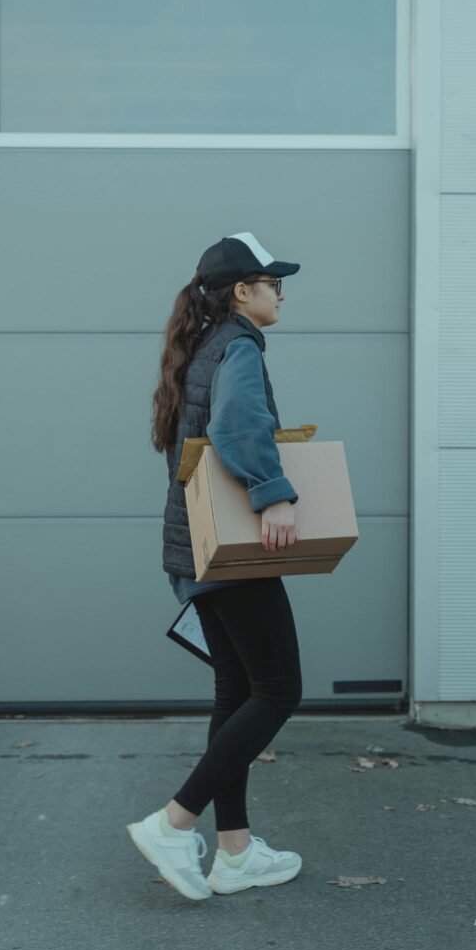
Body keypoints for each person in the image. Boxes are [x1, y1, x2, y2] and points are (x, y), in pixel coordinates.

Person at [126, 232, 305, 901]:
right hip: (233, 554)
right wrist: (274, 495)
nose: (280, 292)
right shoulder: (237, 347)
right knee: (279, 690)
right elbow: (234, 432)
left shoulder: (202, 347)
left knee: (237, 693)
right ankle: (174, 823)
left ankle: (233, 851)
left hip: (198, 551)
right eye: (272, 281)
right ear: (242, 291)